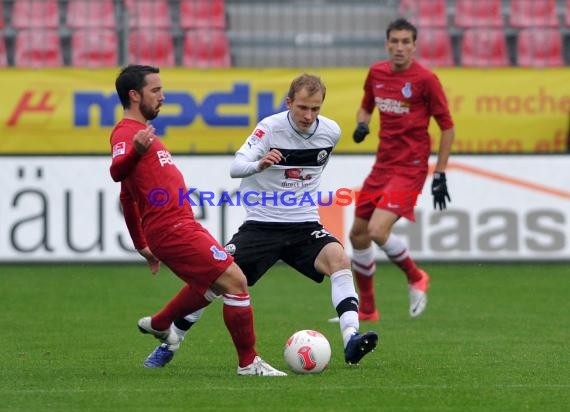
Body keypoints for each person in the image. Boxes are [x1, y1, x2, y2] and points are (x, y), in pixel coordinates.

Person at [142, 73, 379, 368]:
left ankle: (351, 338)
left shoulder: (331, 132)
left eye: (315, 109)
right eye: (303, 107)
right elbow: (236, 167)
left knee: (340, 261)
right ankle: (170, 342)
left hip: (304, 225)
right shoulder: (269, 129)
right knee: (214, 282)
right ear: (288, 102)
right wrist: (260, 163)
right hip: (262, 226)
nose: (308, 115)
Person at [110, 64, 286, 376]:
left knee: (212, 284)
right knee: (236, 281)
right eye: (156, 90)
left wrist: (142, 247)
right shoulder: (126, 134)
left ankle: (161, 323)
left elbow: (127, 196)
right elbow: (116, 173)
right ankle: (248, 363)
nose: (163, 96)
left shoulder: (144, 136)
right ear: (135, 96)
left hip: (177, 226)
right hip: (172, 228)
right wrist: (136, 152)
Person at [347, 18, 455, 321]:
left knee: (377, 230)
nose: (399, 47)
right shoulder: (377, 72)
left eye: (405, 42)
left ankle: (416, 275)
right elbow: (366, 105)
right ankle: (367, 310)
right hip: (383, 164)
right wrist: (362, 124)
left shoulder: (425, 79)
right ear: (387, 43)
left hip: (411, 167)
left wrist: (440, 173)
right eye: (394, 41)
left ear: (414, 45)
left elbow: (447, 127)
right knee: (357, 235)